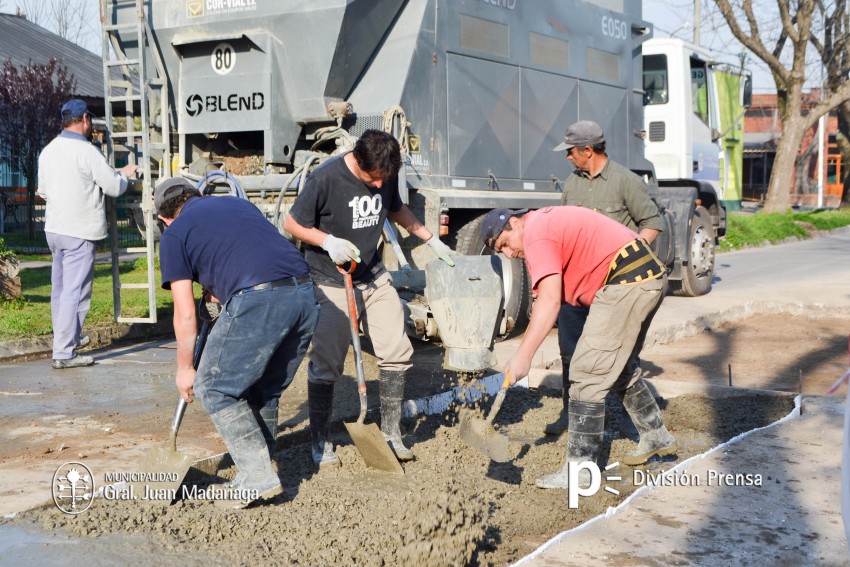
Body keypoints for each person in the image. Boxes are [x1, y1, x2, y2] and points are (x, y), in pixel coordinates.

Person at [284, 129, 457, 468]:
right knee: (327, 361)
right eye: (373, 178)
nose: (379, 185)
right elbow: (292, 223)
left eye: (384, 179)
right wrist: (327, 241)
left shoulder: (385, 173)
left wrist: (431, 240)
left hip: (372, 275)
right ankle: (320, 441)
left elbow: (396, 210)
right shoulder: (326, 178)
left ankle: (391, 433)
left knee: (397, 349)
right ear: (357, 160)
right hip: (330, 279)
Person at [481, 206, 676, 489]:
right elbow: (552, 296)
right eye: (502, 252)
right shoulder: (542, 225)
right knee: (614, 363)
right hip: (645, 277)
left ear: (515, 223)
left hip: (628, 280)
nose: (509, 254)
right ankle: (656, 436)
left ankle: (580, 472)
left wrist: (523, 356)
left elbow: (550, 301)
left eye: (505, 244)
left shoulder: (537, 234)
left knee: (586, 372)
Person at [156, 178, 319, 508]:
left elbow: (185, 315)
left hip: (260, 299)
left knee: (213, 387)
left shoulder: (175, 234)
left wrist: (185, 369)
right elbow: (250, 253)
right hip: (305, 294)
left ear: (164, 218)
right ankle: (260, 472)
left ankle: (257, 476)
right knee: (263, 389)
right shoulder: (237, 204)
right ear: (197, 195)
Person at [544, 120, 664, 436]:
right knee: (570, 351)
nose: (567, 157)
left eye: (571, 151)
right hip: (576, 287)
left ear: (588, 150)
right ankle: (571, 415)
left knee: (621, 357)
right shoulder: (573, 183)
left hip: (615, 289)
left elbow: (652, 223)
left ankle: (626, 420)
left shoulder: (626, 181)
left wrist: (627, 257)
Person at [37, 99, 138, 369]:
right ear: (84, 119)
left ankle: (67, 339)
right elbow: (113, 187)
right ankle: (64, 353)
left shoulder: (48, 150)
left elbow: (43, 191)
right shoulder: (88, 151)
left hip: (55, 229)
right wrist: (125, 175)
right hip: (79, 231)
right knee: (76, 292)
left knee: (60, 290)